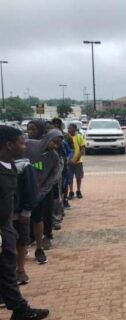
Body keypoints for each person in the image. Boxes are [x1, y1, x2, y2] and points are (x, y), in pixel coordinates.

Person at [0, 125, 50, 320]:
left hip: (6, 226)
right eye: (22, 143)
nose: (25, 146)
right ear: (9, 145)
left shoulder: (11, 166)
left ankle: (20, 309)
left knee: (7, 270)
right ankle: (20, 309)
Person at [25, 129, 63, 265]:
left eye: (58, 144)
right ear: (48, 138)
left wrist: (41, 193)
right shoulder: (29, 145)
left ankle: (39, 249)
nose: (55, 145)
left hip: (39, 194)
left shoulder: (54, 157)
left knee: (38, 219)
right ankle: (23, 246)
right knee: (21, 222)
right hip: (21, 192)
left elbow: (52, 178)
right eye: (54, 141)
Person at [13, 153, 39, 285]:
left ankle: (21, 270)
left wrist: (26, 211)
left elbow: (31, 190)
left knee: (21, 241)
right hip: (4, 214)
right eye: (22, 143)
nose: (24, 147)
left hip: (19, 213)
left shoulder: (25, 166)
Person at [67, 123, 85, 200]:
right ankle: (71, 192)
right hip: (69, 162)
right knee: (70, 177)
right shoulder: (67, 138)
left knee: (78, 177)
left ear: (75, 129)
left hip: (78, 162)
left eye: (70, 128)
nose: (69, 130)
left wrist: (77, 159)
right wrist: (69, 160)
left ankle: (78, 191)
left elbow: (82, 149)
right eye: (68, 128)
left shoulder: (79, 137)